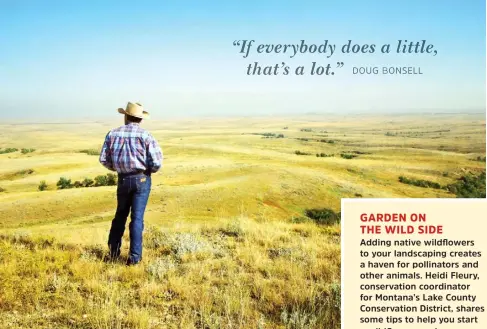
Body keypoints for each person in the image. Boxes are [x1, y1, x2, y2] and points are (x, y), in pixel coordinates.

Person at [99, 102, 163, 265]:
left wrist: (118, 168)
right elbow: (156, 162)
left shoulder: (112, 134)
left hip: (123, 179)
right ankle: (134, 259)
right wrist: (147, 170)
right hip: (141, 179)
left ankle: (113, 254)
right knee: (137, 219)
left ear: (126, 116)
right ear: (140, 119)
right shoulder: (146, 136)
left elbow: (104, 159)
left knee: (120, 216)